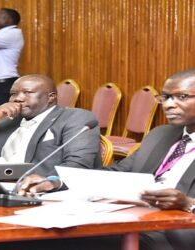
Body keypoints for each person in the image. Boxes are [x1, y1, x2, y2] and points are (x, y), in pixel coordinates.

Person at [11, 69, 195, 250]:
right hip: (135, 217)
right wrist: (54, 182)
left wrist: (187, 203)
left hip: (176, 230)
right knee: (30, 234)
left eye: (182, 97)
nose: (169, 105)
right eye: (166, 97)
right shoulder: (161, 135)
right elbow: (115, 172)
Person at [0, 74, 101, 180]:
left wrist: (47, 182)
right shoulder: (6, 121)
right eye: (13, 94)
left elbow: (78, 166)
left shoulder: (75, 118)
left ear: (51, 97)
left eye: (28, 93)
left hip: (45, 192)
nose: (18, 98)